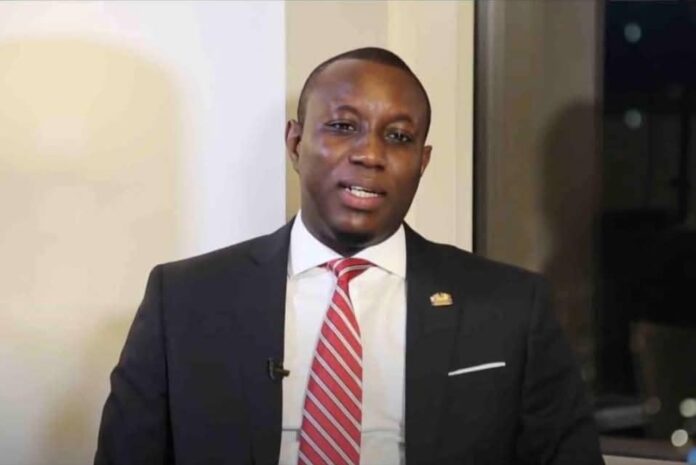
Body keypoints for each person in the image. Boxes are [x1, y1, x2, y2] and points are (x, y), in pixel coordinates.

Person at [95, 47, 604, 465]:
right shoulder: (184, 300)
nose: (370, 154)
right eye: (342, 127)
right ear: (295, 143)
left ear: (422, 162)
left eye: (398, 137)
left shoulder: (512, 307)